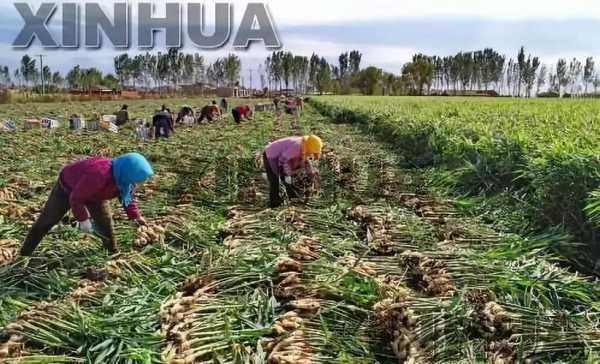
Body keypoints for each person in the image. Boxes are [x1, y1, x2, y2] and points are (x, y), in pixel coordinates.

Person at [19, 153, 154, 256]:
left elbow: (128, 196)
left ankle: (112, 252)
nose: (136, 184)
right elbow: (76, 198)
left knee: (105, 221)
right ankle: (25, 254)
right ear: (128, 172)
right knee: (47, 221)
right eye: (136, 180)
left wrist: (135, 216)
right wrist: (83, 219)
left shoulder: (123, 179)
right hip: (67, 190)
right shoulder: (99, 174)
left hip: (95, 193)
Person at [263, 135, 323, 208]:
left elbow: (306, 162)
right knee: (275, 180)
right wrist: (286, 174)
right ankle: (274, 204)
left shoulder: (305, 145)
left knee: (287, 178)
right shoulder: (297, 146)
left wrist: (311, 173)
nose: (312, 153)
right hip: (272, 155)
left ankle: (292, 197)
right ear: (310, 146)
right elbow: (282, 160)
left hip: (282, 157)